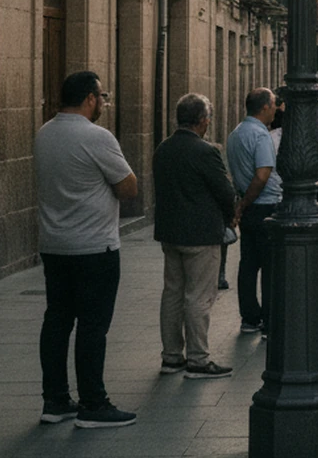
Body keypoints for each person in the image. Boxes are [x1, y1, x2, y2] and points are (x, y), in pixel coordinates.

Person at [32, 70, 138, 429]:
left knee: (57, 321)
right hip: (95, 246)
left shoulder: (44, 133)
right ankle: (93, 403)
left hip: (54, 245)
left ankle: (55, 400)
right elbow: (129, 187)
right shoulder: (97, 137)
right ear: (90, 98)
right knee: (93, 326)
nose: (104, 103)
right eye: (102, 97)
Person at [152, 94, 236, 380]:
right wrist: (230, 216)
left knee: (172, 293)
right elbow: (225, 192)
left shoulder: (163, 148)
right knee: (199, 296)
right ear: (202, 120)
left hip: (171, 233)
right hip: (201, 234)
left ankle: (171, 356)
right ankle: (198, 359)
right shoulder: (205, 151)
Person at [226, 88, 281, 336]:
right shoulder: (260, 135)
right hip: (265, 205)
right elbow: (262, 174)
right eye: (274, 104)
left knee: (248, 263)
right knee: (270, 266)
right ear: (265, 107)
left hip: (250, 208)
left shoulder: (236, 133)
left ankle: (249, 317)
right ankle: (269, 320)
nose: (276, 108)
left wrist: (243, 204)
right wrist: (245, 202)